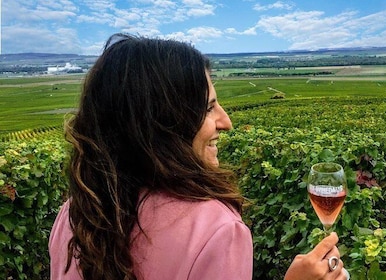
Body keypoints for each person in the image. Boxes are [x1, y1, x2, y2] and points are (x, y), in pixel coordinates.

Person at [49, 33, 348, 280]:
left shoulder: (75, 215)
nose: (226, 121)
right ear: (162, 124)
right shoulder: (217, 232)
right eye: (207, 108)